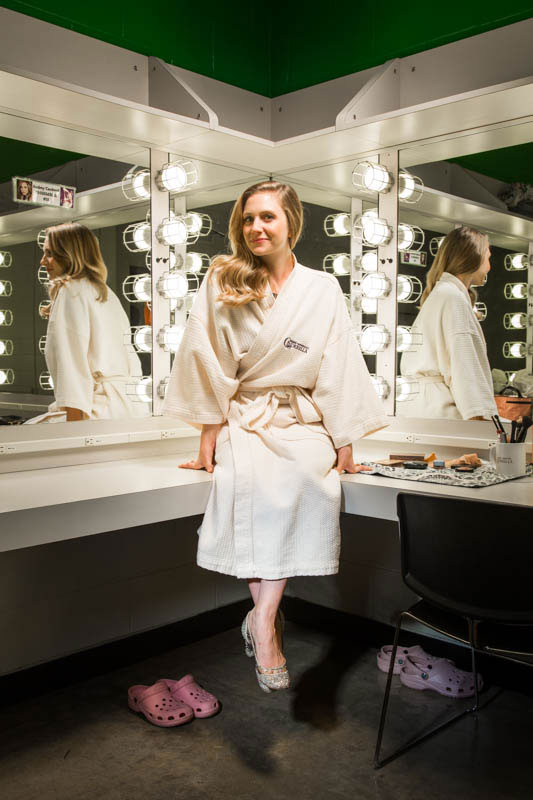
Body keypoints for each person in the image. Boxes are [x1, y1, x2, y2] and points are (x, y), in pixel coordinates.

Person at [163, 181, 388, 692]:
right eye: (247, 219)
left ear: (292, 222)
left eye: (267, 217)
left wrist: (345, 442)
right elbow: (208, 359)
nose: (256, 228)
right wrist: (207, 440)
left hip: (299, 417)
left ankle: (260, 615)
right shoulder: (224, 276)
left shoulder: (323, 288)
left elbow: (339, 365)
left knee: (312, 474)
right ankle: (267, 627)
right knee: (249, 485)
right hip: (244, 412)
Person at [37, 222, 148, 422]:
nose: (43, 261)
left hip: (96, 409)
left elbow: (71, 361)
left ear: (70, 254)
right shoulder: (105, 292)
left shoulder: (71, 290)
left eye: (50, 253)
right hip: (131, 408)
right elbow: (131, 356)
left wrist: (75, 428)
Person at [399, 226, 497, 420]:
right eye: (488, 257)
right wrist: (481, 418)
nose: (489, 267)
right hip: (444, 413)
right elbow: (464, 367)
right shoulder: (452, 298)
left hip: (423, 410)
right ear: (473, 257)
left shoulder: (442, 295)